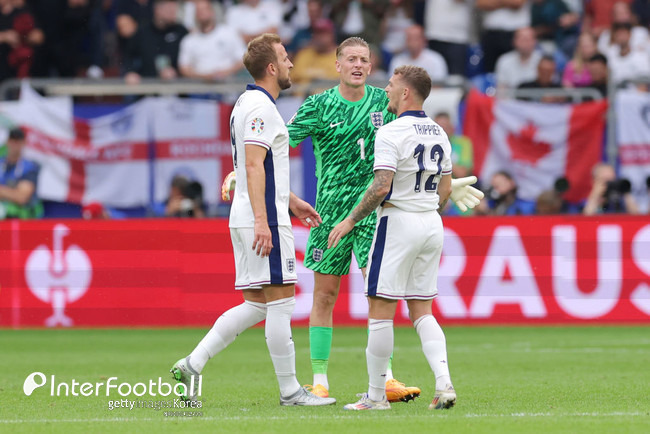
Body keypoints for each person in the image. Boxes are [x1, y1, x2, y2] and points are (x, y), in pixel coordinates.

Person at [170, 33, 336, 407]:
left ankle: (192, 363)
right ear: (272, 68)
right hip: (260, 218)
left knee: (258, 304)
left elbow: (255, 168)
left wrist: (291, 201)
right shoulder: (261, 107)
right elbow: (252, 164)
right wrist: (265, 219)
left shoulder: (246, 103)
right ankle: (292, 391)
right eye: (286, 57)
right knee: (281, 303)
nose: (292, 63)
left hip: (248, 214)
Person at [286, 36, 420, 403]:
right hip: (327, 215)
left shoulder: (384, 102)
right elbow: (276, 144)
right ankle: (319, 381)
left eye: (364, 59)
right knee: (325, 295)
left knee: (378, 292)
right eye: (351, 59)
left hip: (373, 212)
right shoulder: (317, 105)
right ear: (338, 65)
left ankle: (386, 379)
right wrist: (252, 173)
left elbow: (414, 142)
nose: (358, 64)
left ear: (370, 66)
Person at [328, 65, 456, 411]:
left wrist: (350, 219)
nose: (384, 89)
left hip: (398, 222)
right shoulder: (440, 132)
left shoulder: (389, 132)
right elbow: (445, 190)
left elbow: (382, 185)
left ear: (405, 93)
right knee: (423, 311)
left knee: (381, 310)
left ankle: (375, 397)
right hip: (431, 222)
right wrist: (428, 205)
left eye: (390, 85)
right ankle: (444, 385)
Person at [177, 0, 246, 81]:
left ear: (212, 11)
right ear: (195, 15)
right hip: (199, 88)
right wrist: (205, 77)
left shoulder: (229, 33)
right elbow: (184, 68)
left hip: (228, 86)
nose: (202, 13)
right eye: (198, 11)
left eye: (204, 9)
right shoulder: (189, 40)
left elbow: (243, 60)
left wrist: (226, 72)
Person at [0, 127, 43, 219]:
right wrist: (11, 193)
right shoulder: (1, 163)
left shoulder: (30, 167)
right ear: (7, 141)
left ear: (23, 143)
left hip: (20, 219)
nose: (14, 144)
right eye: (12, 140)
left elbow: (21, 197)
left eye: (18, 141)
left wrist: (2, 191)